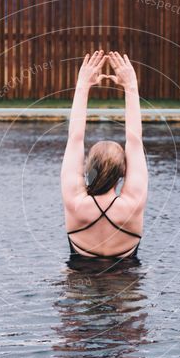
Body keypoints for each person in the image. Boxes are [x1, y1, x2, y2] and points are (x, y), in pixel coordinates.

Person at [61, 50, 148, 259]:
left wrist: (82, 85)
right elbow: (135, 141)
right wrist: (130, 86)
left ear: (86, 168)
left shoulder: (75, 202)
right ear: (124, 171)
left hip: (79, 288)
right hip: (126, 287)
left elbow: (75, 138)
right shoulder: (133, 203)